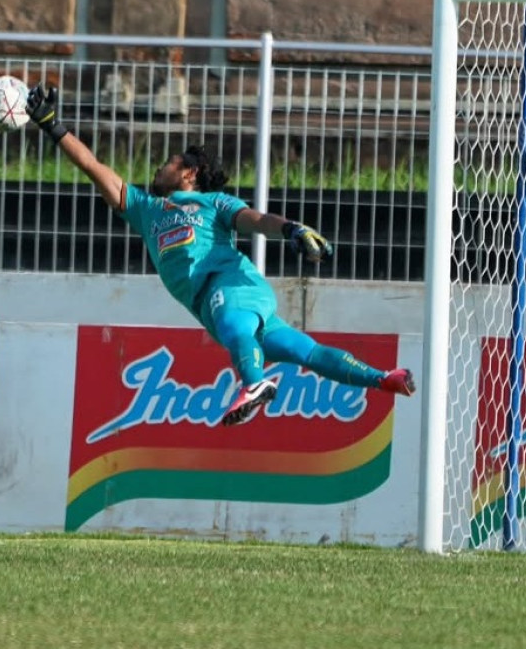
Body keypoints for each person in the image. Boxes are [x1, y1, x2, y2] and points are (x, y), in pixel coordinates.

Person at [22, 84, 415, 426]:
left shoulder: (213, 203)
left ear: (190, 173)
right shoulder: (146, 210)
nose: (162, 165)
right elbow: (94, 167)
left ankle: (252, 383)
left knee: (235, 328)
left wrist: (292, 229)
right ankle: (384, 378)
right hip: (219, 306)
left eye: (172, 161)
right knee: (306, 352)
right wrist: (50, 123)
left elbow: (255, 219)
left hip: (230, 288)